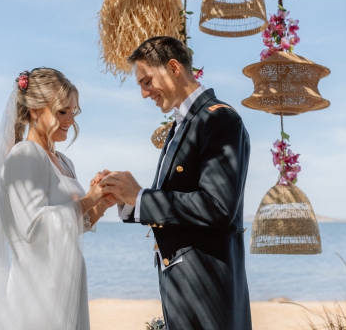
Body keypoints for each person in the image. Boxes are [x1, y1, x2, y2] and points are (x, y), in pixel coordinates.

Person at [98, 36, 253, 329]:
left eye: (146, 81)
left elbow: (217, 207)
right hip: (181, 289)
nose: (144, 93)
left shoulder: (220, 120)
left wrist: (141, 196)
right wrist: (125, 198)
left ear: (173, 68)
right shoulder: (180, 126)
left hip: (207, 292)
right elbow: (174, 204)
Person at [0, 67, 117, 330]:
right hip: (38, 291)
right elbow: (33, 228)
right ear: (35, 110)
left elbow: (68, 226)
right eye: (61, 111)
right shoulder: (25, 155)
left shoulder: (63, 161)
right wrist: (88, 199)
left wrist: (101, 203)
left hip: (65, 283)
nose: (70, 120)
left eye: (73, 112)